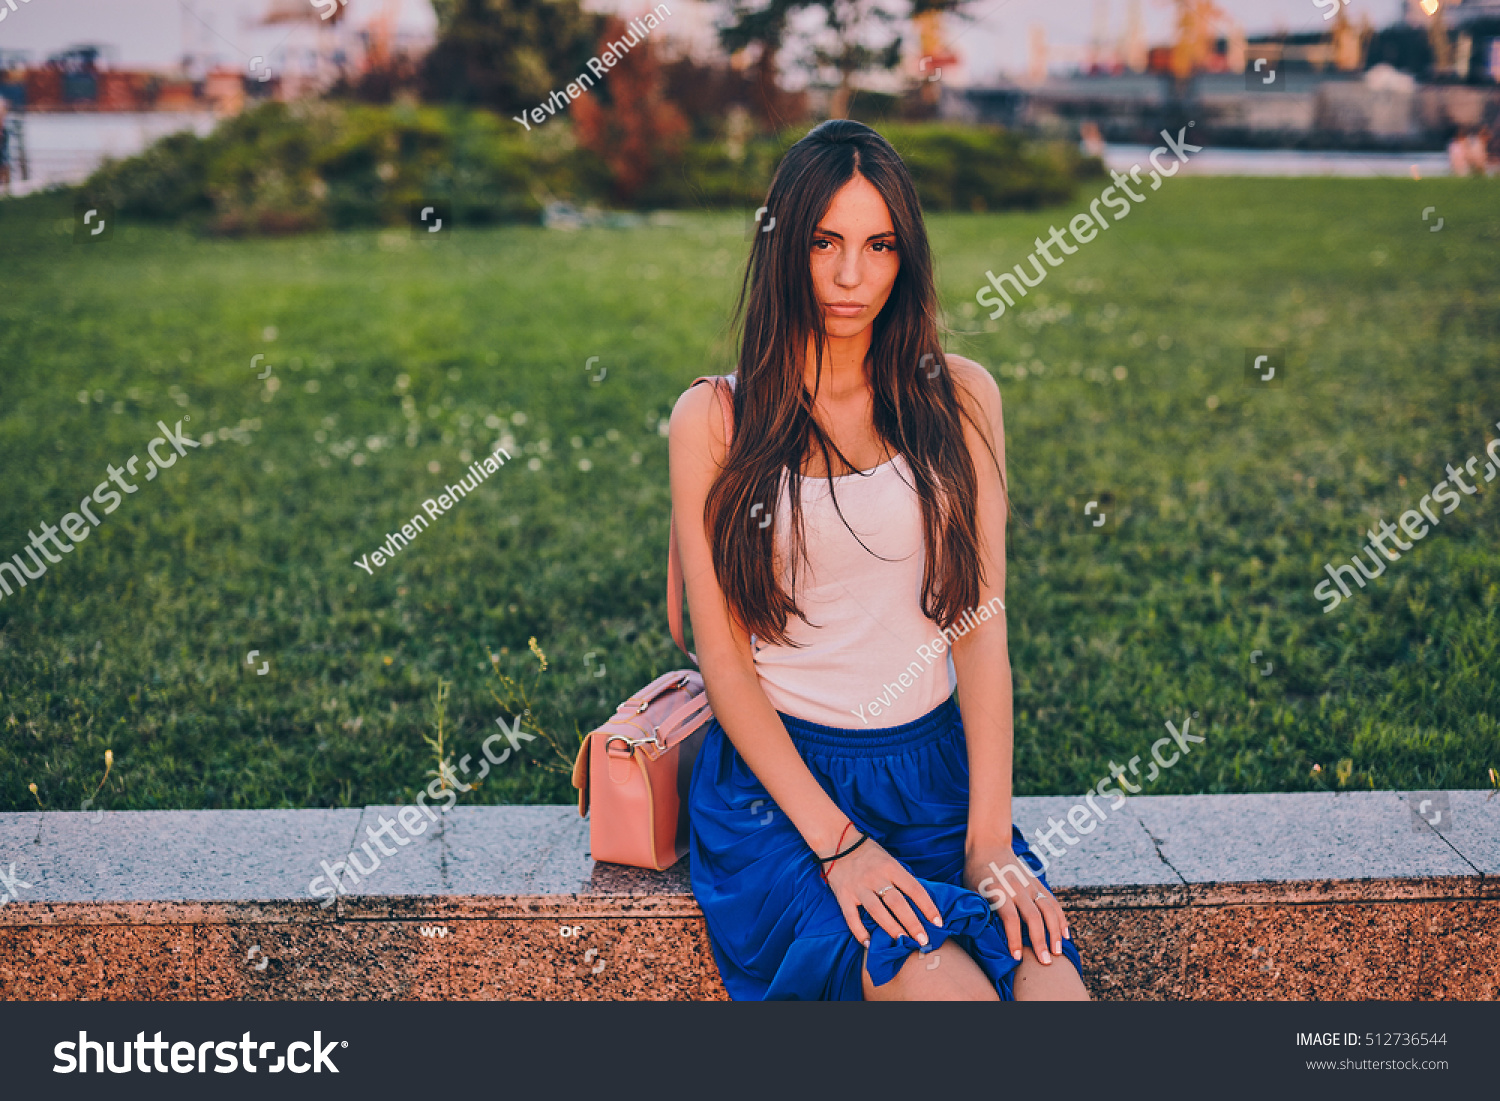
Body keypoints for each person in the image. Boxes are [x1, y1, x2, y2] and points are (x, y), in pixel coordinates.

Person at [669, 119, 1089, 1001]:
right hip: (782, 791)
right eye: (825, 242)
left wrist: (992, 845)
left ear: (908, 258)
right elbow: (725, 666)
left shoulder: (962, 396)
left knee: (1056, 996)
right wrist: (842, 847)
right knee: (952, 998)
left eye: (879, 244)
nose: (851, 276)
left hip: (936, 777)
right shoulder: (714, 419)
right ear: (783, 247)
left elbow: (980, 634)